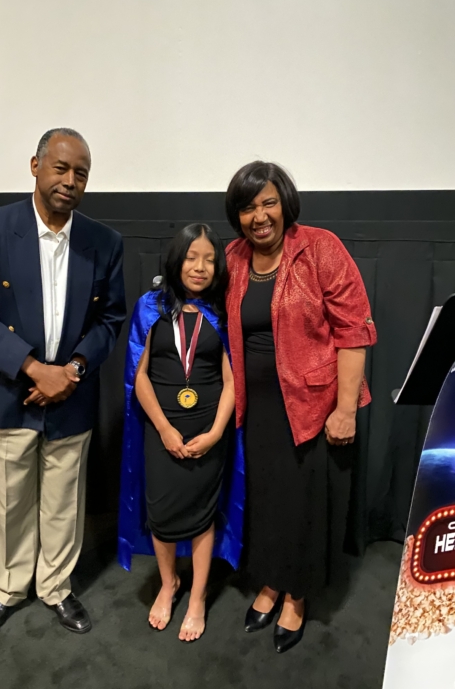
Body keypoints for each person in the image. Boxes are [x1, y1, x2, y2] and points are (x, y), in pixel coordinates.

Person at [0, 128, 126, 642]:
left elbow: (111, 320)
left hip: (72, 395)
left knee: (63, 500)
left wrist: (71, 371)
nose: (70, 181)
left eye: (81, 174)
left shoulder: (104, 242)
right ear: (35, 166)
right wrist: (34, 369)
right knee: (7, 500)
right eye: (61, 168)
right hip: (10, 393)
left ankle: (55, 586)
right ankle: (9, 588)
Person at [224, 161, 377, 654]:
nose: (259, 216)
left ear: (285, 203)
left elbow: (354, 331)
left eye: (268, 202)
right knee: (268, 499)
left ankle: (296, 595)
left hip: (314, 404)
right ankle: (270, 582)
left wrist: (345, 409)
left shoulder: (320, 248)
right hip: (258, 407)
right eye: (248, 207)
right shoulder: (233, 257)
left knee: (307, 504)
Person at [118, 224, 245, 642]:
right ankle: (169, 582)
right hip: (161, 429)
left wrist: (216, 432)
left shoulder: (223, 311)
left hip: (209, 428)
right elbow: (138, 375)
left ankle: (197, 597)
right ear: (176, 260)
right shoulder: (150, 307)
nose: (200, 267)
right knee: (162, 513)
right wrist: (164, 428)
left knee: (202, 514)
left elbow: (233, 380)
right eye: (192, 257)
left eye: (209, 259)